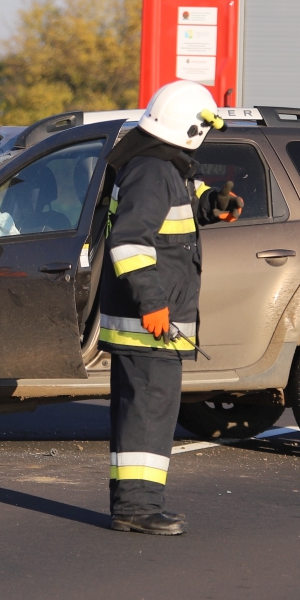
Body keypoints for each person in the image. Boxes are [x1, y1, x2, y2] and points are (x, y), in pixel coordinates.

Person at [97, 80, 225, 536]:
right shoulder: (152, 170)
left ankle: (133, 504)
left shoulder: (159, 164)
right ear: (192, 128)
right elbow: (130, 240)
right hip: (149, 321)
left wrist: (211, 205)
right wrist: (153, 304)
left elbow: (174, 216)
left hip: (151, 319)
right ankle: (138, 507)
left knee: (141, 413)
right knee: (148, 414)